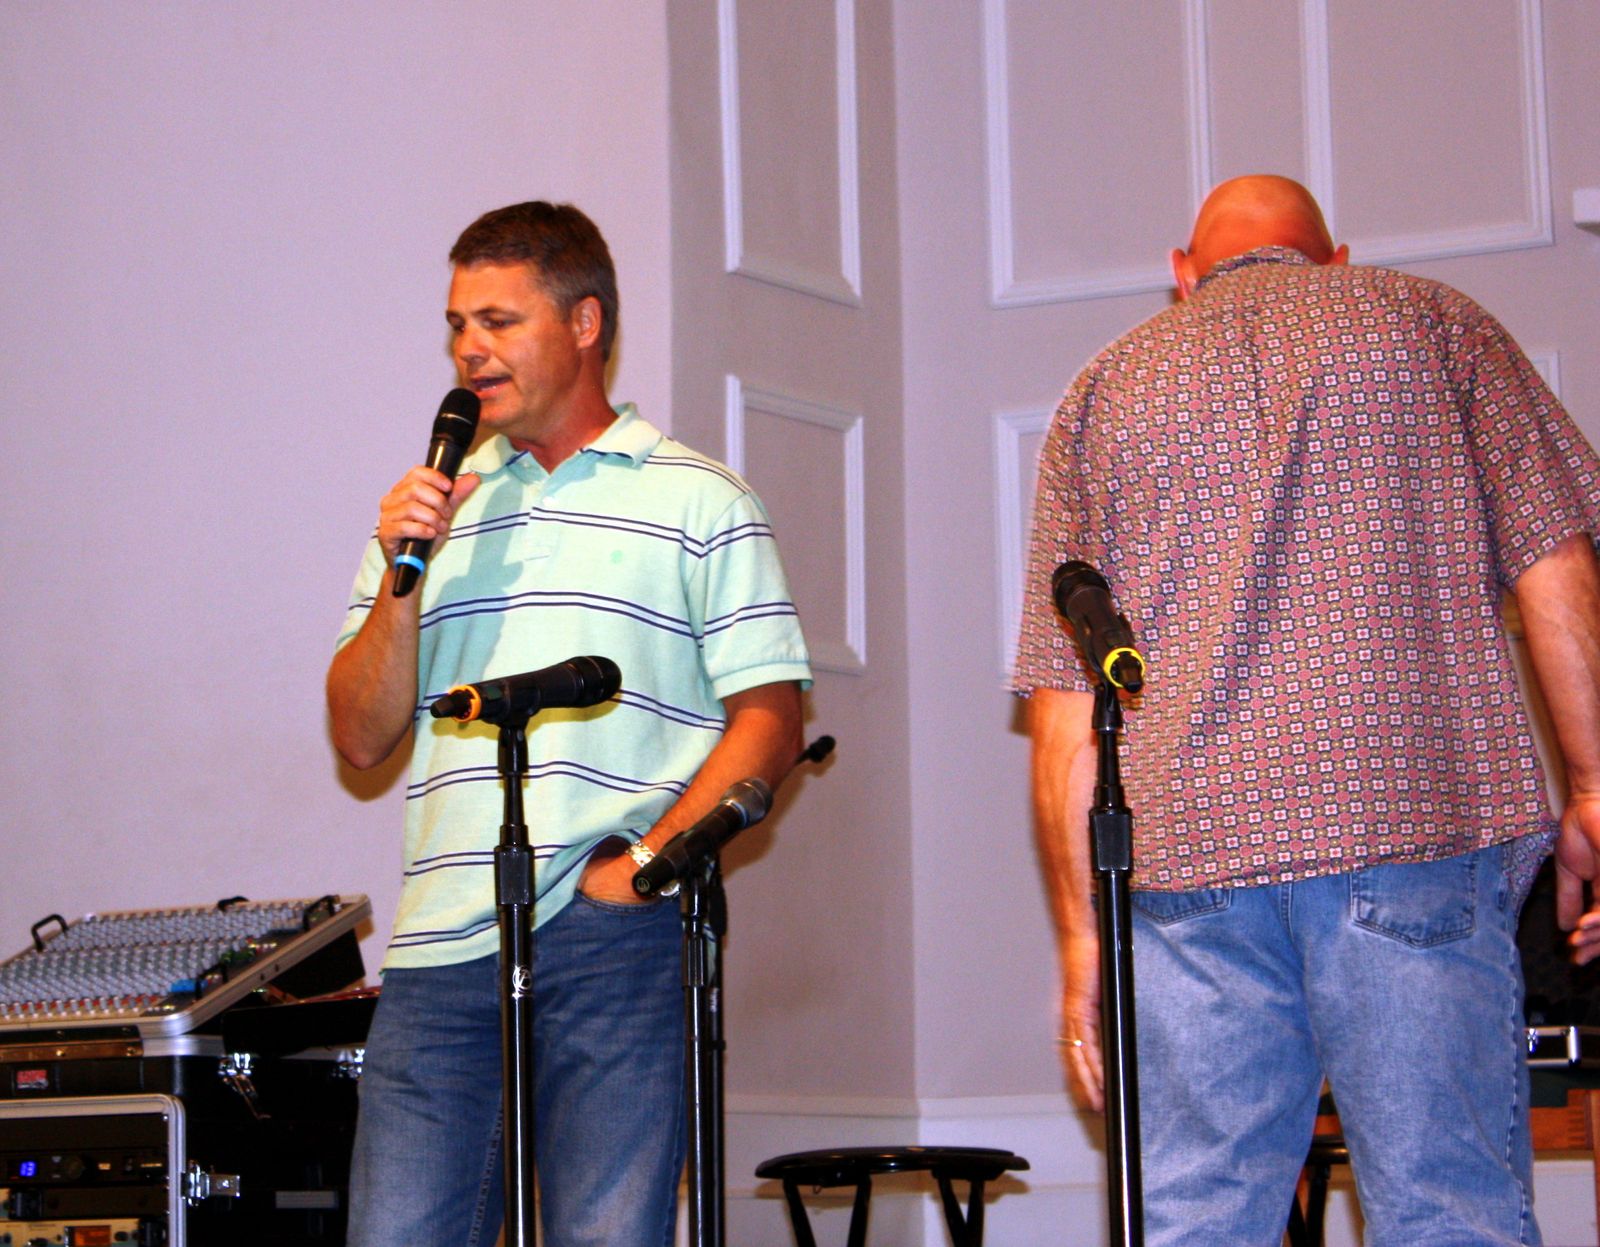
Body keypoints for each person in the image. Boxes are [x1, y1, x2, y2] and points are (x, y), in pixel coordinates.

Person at [1014, 175, 1600, 1246]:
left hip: (1189, 862)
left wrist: (1080, 939)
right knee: (1448, 1210)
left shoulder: (1105, 388)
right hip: (1409, 825)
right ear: (1336, 258)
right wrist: (1594, 785)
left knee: (1199, 1219)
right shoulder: (1435, 323)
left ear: (1182, 273)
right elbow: (1554, 561)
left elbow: (1064, 701)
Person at [326, 201, 812, 1247]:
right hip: (439, 944)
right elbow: (360, 736)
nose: (469, 348)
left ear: (584, 323)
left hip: (611, 937)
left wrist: (643, 868)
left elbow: (771, 717)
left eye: (498, 321)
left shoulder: (700, 499)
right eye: (458, 324)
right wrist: (404, 574)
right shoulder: (432, 509)